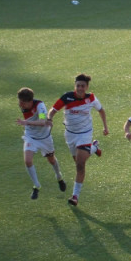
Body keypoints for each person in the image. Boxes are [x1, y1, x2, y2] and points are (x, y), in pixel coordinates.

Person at [48, 74, 108, 207]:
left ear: (87, 87)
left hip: (85, 134)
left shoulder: (91, 98)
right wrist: (48, 119)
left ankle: (75, 196)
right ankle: (94, 148)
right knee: (77, 161)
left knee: (80, 165)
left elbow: (101, 110)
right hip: (70, 135)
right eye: (78, 86)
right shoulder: (67, 97)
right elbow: (52, 110)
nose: (80, 88)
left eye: (83, 86)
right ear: (75, 86)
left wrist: (105, 127)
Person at [15, 87, 65, 199]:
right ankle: (36, 186)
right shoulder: (24, 105)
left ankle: (59, 177)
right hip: (30, 137)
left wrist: (26, 122)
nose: (20, 104)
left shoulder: (40, 106)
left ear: (30, 101)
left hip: (44, 138)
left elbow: (42, 121)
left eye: (22, 102)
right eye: (19, 101)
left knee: (51, 159)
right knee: (28, 161)